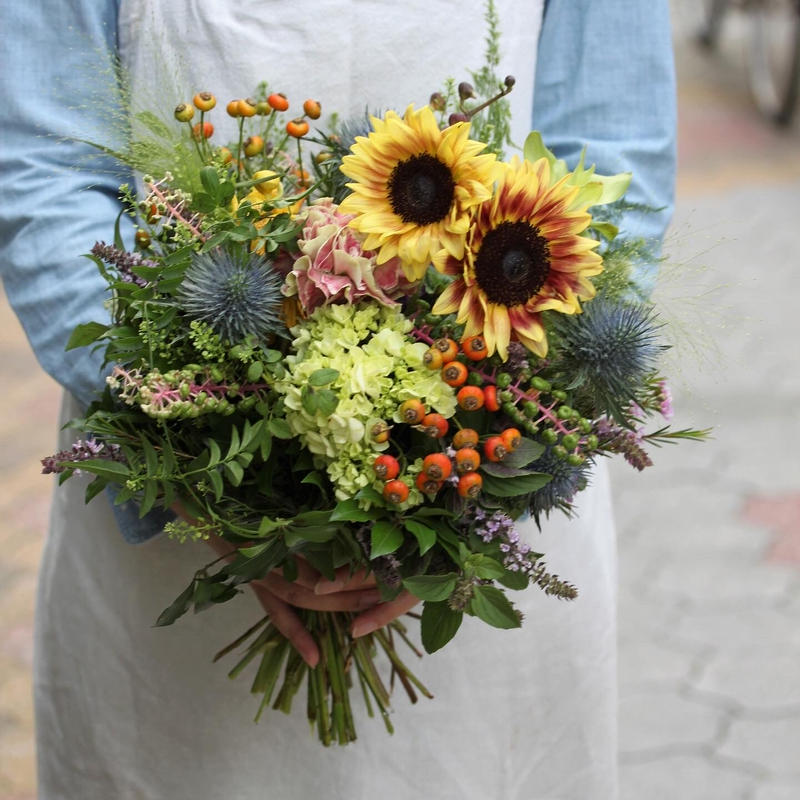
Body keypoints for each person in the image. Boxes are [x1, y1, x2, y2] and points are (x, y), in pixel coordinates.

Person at [0, 1, 676, 797]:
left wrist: (458, 493)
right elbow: (45, 166)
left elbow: (614, 152)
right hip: (169, 552)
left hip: (481, 513)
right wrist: (208, 473)